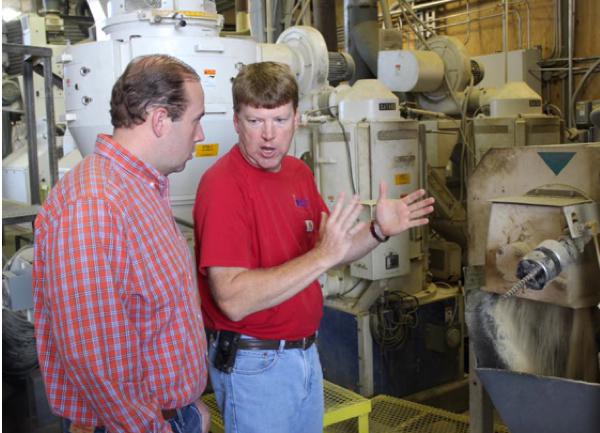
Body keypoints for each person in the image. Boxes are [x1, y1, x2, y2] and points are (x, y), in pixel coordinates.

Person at [193, 61, 435, 433]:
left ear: (298, 118)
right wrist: (322, 256)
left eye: (280, 119)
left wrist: (378, 230)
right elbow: (232, 299)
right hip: (254, 365)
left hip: (304, 355)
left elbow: (333, 249)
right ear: (237, 121)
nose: (269, 135)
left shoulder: (298, 173)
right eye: (256, 121)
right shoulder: (222, 186)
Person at [33, 54, 210, 433]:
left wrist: (189, 405)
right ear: (161, 119)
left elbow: (158, 318)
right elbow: (95, 359)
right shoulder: (94, 204)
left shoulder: (144, 188)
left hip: (174, 415)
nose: (200, 135)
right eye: (196, 121)